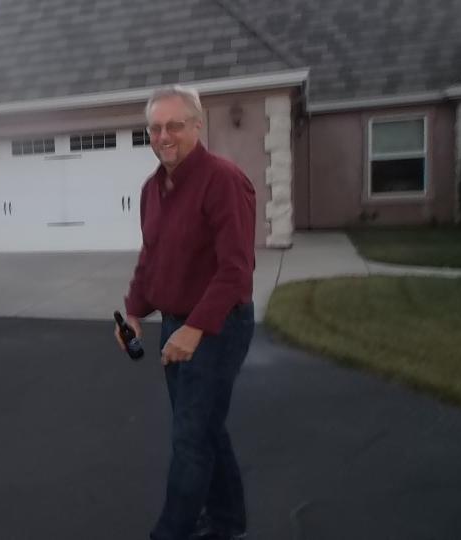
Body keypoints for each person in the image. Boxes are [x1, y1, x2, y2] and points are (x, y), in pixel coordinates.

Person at [115, 86, 256, 540]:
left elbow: (236, 270)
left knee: (191, 439)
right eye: (155, 128)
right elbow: (151, 257)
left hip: (219, 327)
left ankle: (171, 533)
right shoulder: (152, 189)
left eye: (174, 125)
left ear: (198, 124)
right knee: (203, 428)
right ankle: (228, 521)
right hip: (177, 325)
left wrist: (195, 329)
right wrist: (133, 313)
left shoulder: (223, 181)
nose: (163, 136)